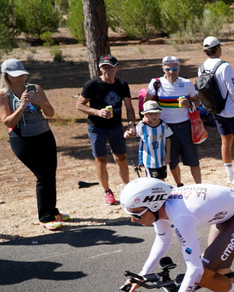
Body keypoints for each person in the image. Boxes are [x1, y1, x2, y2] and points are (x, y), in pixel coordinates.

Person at [121, 178, 234, 292]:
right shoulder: (160, 209)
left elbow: (195, 269)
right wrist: (143, 273)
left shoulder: (182, 218)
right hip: (227, 213)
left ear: (153, 205)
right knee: (219, 269)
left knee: (203, 275)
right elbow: (163, 239)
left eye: (136, 214)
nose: (132, 219)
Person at [0, 58, 63, 230]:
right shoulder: (3, 95)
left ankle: (53, 211)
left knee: (50, 174)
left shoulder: (35, 88)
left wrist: (40, 102)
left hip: (44, 134)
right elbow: (7, 122)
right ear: (6, 76)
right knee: (42, 176)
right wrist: (21, 106)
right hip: (22, 139)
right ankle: (45, 217)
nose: (20, 78)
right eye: (15, 75)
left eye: (22, 74)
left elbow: (50, 112)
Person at [76, 54, 136, 205]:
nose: (106, 71)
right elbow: (79, 105)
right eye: (103, 67)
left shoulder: (122, 84)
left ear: (117, 68)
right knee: (101, 160)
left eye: (110, 67)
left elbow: (129, 107)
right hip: (97, 127)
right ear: (100, 69)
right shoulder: (92, 85)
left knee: (121, 158)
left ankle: (126, 187)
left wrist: (131, 123)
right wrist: (97, 112)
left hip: (116, 127)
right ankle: (107, 191)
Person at [199, 37, 234, 189]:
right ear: (217, 49)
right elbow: (233, 89)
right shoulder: (225, 66)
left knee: (226, 141)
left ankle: (230, 175)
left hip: (216, 109)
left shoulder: (202, 67)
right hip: (231, 109)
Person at [148, 55, 201, 185]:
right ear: (163, 69)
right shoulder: (156, 83)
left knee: (193, 159)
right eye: (168, 69)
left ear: (179, 68)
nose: (171, 71)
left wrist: (189, 103)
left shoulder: (186, 83)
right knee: (172, 160)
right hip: (165, 128)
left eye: (174, 68)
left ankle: (200, 185)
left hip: (185, 126)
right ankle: (179, 184)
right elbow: (147, 103)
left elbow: (197, 102)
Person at [132, 100, 172, 180]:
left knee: (162, 179)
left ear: (160, 113)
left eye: (156, 113)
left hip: (161, 159)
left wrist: (167, 155)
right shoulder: (142, 126)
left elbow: (168, 139)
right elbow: (132, 134)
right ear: (145, 115)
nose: (154, 116)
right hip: (149, 161)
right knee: (153, 181)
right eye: (150, 114)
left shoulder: (163, 125)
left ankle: (162, 192)